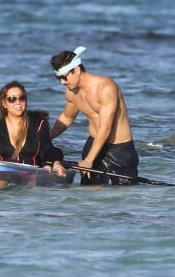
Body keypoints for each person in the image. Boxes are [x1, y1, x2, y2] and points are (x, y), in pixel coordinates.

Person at [49, 46, 139, 185]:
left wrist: (88, 160)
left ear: (77, 70)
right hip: (93, 145)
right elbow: (67, 118)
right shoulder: (71, 92)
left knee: (123, 199)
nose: (62, 82)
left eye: (64, 77)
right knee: (90, 196)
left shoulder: (106, 88)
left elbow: (106, 127)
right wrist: (44, 138)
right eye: (58, 78)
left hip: (119, 150)